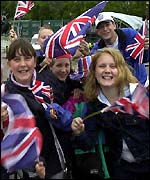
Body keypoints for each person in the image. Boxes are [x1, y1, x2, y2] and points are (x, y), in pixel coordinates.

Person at [71, 48, 149, 180]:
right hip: (121, 169)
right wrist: (79, 133)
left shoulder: (137, 94)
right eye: (102, 66)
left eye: (113, 66)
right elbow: (87, 143)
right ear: (94, 72)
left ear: (121, 70)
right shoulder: (94, 104)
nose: (107, 70)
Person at [3, 38, 74, 179]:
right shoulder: (4, 93)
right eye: (17, 59)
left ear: (35, 61)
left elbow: (59, 122)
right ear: (9, 64)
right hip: (25, 169)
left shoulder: (45, 88)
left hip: (54, 163)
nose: (23, 64)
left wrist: (67, 120)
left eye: (27, 58)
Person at [78, 12, 149, 87]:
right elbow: (94, 68)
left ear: (114, 25)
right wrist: (87, 55)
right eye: (101, 27)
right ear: (97, 31)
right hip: (118, 88)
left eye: (107, 25)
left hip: (140, 83)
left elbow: (144, 59)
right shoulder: (98, 48)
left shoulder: (130, 34)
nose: (105, 29)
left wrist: (146, 49)